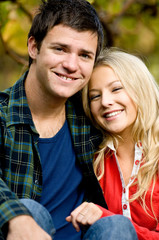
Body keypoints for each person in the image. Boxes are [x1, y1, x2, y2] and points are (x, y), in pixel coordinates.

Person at [0, 0, 138, 239]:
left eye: (84, 55)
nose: (71, 65)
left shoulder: (92, 115)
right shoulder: (3, 114)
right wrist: (14, 216)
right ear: (34, 47)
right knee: (29, 210)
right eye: (60, 49)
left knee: (117, 226)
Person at [66, 47, 159, 239]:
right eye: (95, 96)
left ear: (141, 88)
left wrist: (106, 218)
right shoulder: (91, 159)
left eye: (116, 88)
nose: (105, 102)